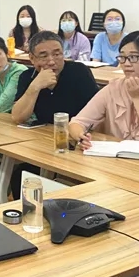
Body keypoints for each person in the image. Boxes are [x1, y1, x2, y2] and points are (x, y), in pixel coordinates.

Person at [11, 31, 99, 197]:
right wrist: (35, 86)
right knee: (20, 176)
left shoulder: (79, 72)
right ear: (32, 58)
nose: (52, 61)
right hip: (44, 146)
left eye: (57, 54)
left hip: (77, 145)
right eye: (43, 56)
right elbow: (18, 117)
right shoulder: (27, 76)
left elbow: (98, 114)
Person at [70, 31, 139, 147]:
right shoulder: (113, 88)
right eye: (122, 57)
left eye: (133, 57)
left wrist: (138, 98)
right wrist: (81, 137)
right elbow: (77, 122)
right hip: (117, 156)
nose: (126, 63)